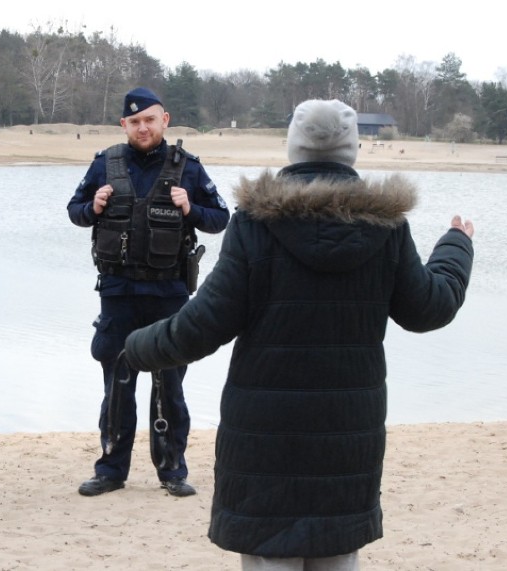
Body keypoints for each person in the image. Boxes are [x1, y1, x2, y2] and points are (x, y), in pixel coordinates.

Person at [122, 99, 474, 569]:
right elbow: (431, 307)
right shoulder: (386, 226)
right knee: (337, 552)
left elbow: (201, 326)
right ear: (351, 150)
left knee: (270, 554)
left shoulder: (256, 223)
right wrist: (456, 246)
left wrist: (135, 346)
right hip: (347, 434)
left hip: (265, 437)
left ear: (294, 147)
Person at [67, 87, 230, 497]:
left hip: (168, 297)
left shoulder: (188, 168)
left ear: (165, 120)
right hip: (118, 295)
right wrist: (95, 206)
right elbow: (75, 211)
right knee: (117, 386)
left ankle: (172, 471)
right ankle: (110, 471)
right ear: (124, 125)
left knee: (169, 386)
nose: (143, 127)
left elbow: (221, 218)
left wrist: (190, 207)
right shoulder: (105, 164)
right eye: (135, 121)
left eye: (150, 120)